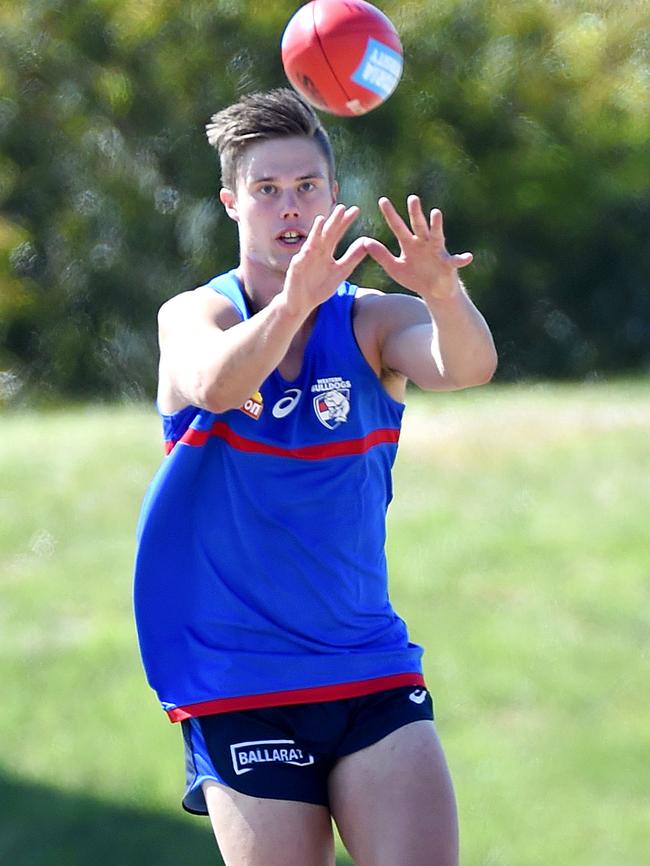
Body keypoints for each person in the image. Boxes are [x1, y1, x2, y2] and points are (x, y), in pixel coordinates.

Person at [134, 88, 497, 866]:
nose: (289, 207)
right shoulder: (195, 317)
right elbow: (218, 387)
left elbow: (468, 365)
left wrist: (440, 289)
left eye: (307, 187)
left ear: (335, 197)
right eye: (267, 190)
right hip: (241, 681)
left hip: (368, 665)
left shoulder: (368, 321)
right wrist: (295, 302)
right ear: (232, 203)